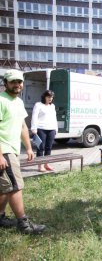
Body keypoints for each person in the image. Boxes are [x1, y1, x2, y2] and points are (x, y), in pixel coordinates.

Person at [0, 69, 46, 234]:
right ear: (5, 83)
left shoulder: (18, 102)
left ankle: (0, 217)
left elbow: (22, 126)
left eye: (19, 81)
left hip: (12, 149)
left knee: (5, 187)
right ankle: (24, 225)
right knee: (15, 186)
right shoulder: (1, 100)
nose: (17, 85)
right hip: (3, 149)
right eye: (13, 81)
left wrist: (28, 147)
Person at [31, 90, 58, 172]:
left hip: (51, 129)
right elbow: (34, 116)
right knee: (40, 147)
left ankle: (46, 164)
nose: (51, 98)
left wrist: (56, 129)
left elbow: (54, 118)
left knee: (49, 147)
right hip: (41, 128)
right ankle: (40, 166)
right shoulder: (38, 105)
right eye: (49, 97)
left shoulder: (52, 106)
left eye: (52, 97)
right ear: (44, 97)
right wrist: (34, 128)